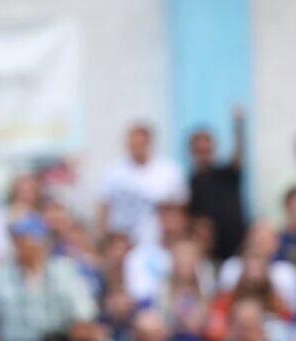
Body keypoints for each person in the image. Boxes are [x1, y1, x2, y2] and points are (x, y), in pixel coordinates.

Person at [0, 215, 98, 341]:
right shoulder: (4, 274)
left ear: (39, 242)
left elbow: (84, 314)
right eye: (16, 240)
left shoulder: (64, 270)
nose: (17, 244)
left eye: (23, 239)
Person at [99, 123, 187, 248]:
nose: (136, 148)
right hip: (122, 241)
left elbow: (180, 209)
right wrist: (105, 238)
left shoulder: (169, 171)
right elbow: (105, 206)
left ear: (150, 143)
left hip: (158, 241)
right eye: (132, 144)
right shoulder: (114, 172)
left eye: (141, 144)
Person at [186, 109, 247, 261]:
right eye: (199, 150)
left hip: (236, 246)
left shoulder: (226, 173)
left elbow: (239, 156)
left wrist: (239, 125)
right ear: (193, 152)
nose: (203, 154)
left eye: (206, 149)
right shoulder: (192, 181)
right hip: (210, 253)